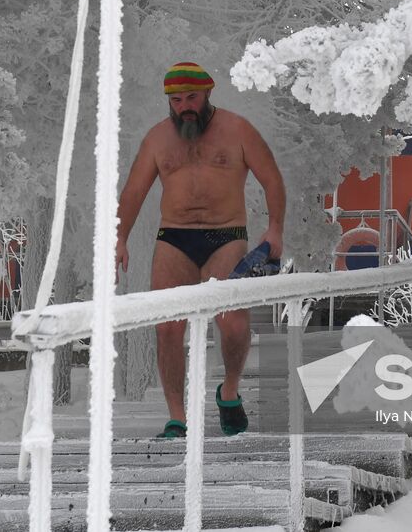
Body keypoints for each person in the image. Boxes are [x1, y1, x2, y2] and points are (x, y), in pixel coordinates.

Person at [116, 62, 286, 439]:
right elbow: (133, 191)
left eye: (191, 98)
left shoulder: (237, 129)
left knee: (233, 322)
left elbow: (271, 177)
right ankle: (178, 417)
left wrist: (275, 229)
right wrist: (120, 237)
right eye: (176, 100)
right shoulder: (158, 139)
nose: (184, 107)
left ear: (208, 93)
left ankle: (228, 391)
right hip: (174, 239)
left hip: (225, 236)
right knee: (168, 328)